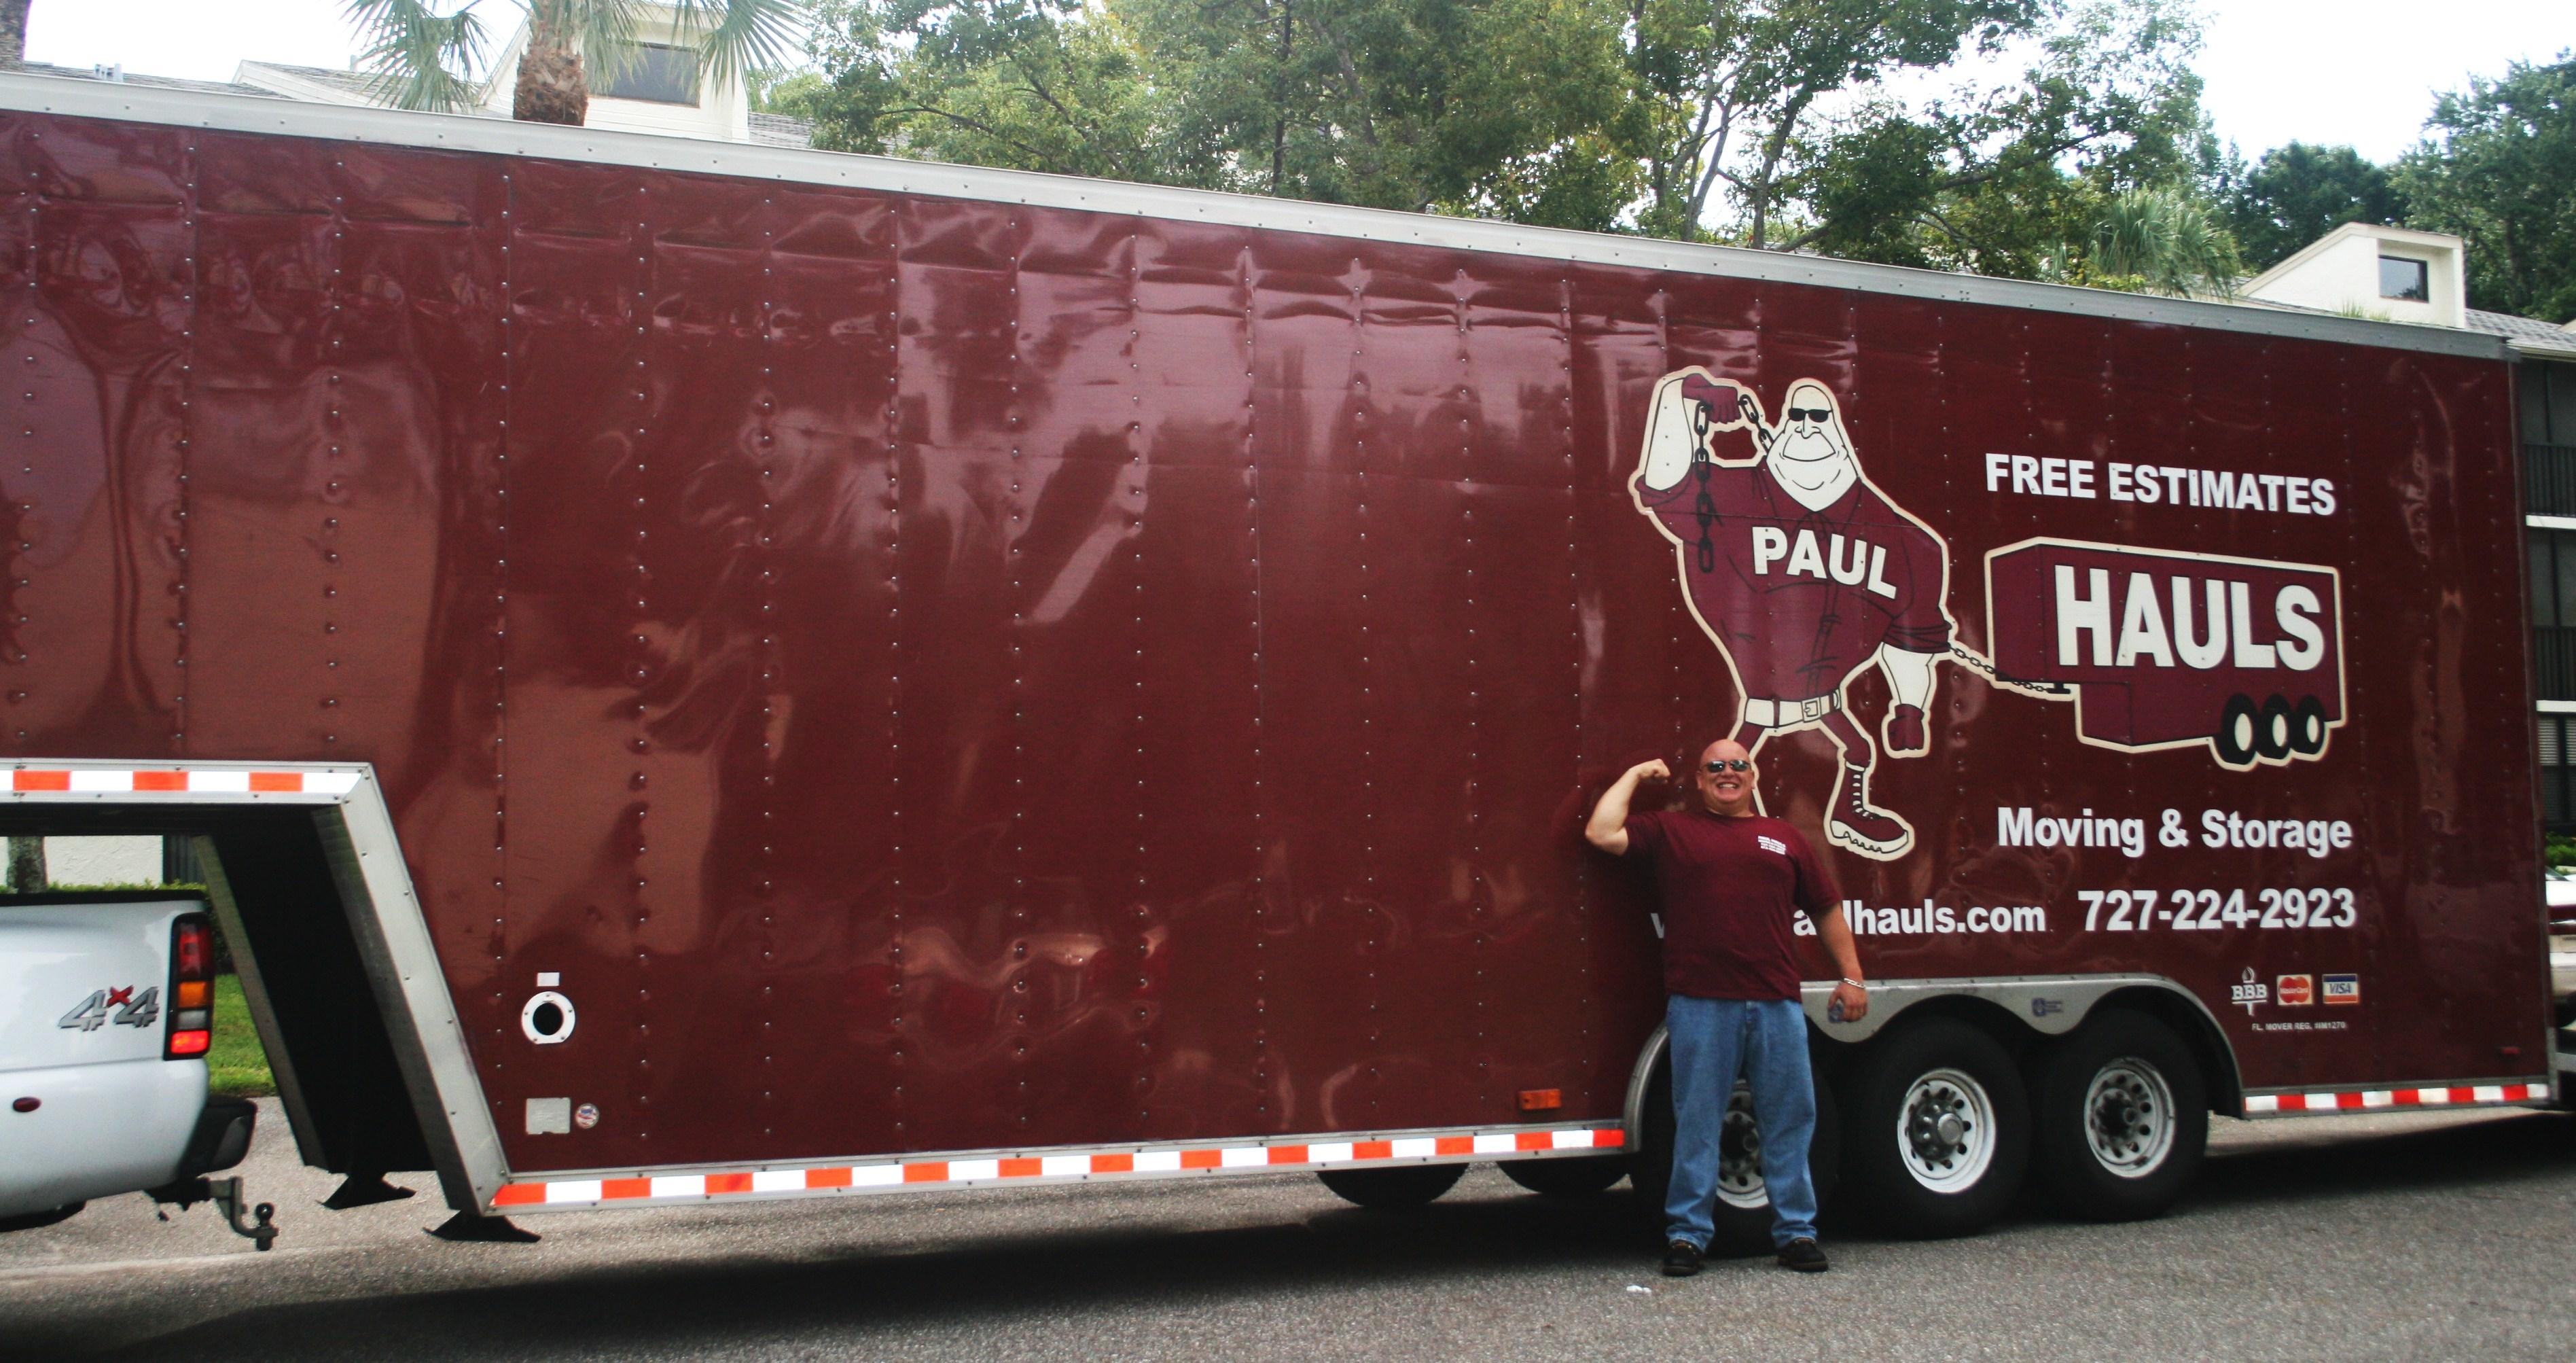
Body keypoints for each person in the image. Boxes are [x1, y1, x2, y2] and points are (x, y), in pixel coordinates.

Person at [1629, 370, 1960, 860]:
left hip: (1827, 698)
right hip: (1760, 703)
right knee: (1735, 766)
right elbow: (1664, 480)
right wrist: (1684, 400)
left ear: (1838, 432)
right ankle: (1746, 835)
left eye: (1819, 417)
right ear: (1780, 425)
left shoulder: (1908, 543)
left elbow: (1909, 643)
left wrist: (1908, 708)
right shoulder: (1729, 494)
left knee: (1860, 751)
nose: (1806, 428)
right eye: (1797, 417)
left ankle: (1850, 812)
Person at [1585, 737, 1868, 1277]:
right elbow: (1600, 832)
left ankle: (1797, 1234)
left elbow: (1827, 908)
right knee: (1697, 1123)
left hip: (1776, 1004)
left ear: (1754, 776)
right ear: (1699, 780)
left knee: (1789, 1121)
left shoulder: (1784, 839)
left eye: (1738, 765)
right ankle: (1689, 1237)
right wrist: (1635, 773)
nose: (1727, 772)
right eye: (1715, 766)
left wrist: (1852, 977)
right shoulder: (1674, 832)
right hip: (1700, 1006)